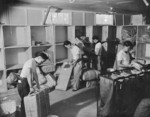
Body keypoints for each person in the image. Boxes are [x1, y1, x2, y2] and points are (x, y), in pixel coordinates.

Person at [17, 52, 48, 117]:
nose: (42, 62)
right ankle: (24, 115)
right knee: (25, 100)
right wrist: (31, 86)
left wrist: (38, 84)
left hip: (25, 81)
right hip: (23, 81)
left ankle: (29, 114)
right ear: (39, 58)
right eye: (42, 61)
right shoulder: (30, 62)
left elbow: (35, 74)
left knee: (27, 98)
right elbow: (29, 75)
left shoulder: (34, 63)